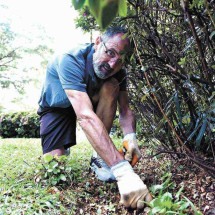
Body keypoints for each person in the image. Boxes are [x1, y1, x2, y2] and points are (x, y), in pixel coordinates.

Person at [37, 26, 152, 209]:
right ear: (98, 42)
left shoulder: (118, 70)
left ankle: (98, 156)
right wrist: (123, 171)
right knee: (55, 167)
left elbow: (125, 109)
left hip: (89, 101)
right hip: (58, 107)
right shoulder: (70, 58)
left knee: (111, 85)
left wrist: (131, 138)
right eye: (110, 52)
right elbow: (84, 115)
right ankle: (63, 148)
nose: (113, 64)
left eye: (120, 60)